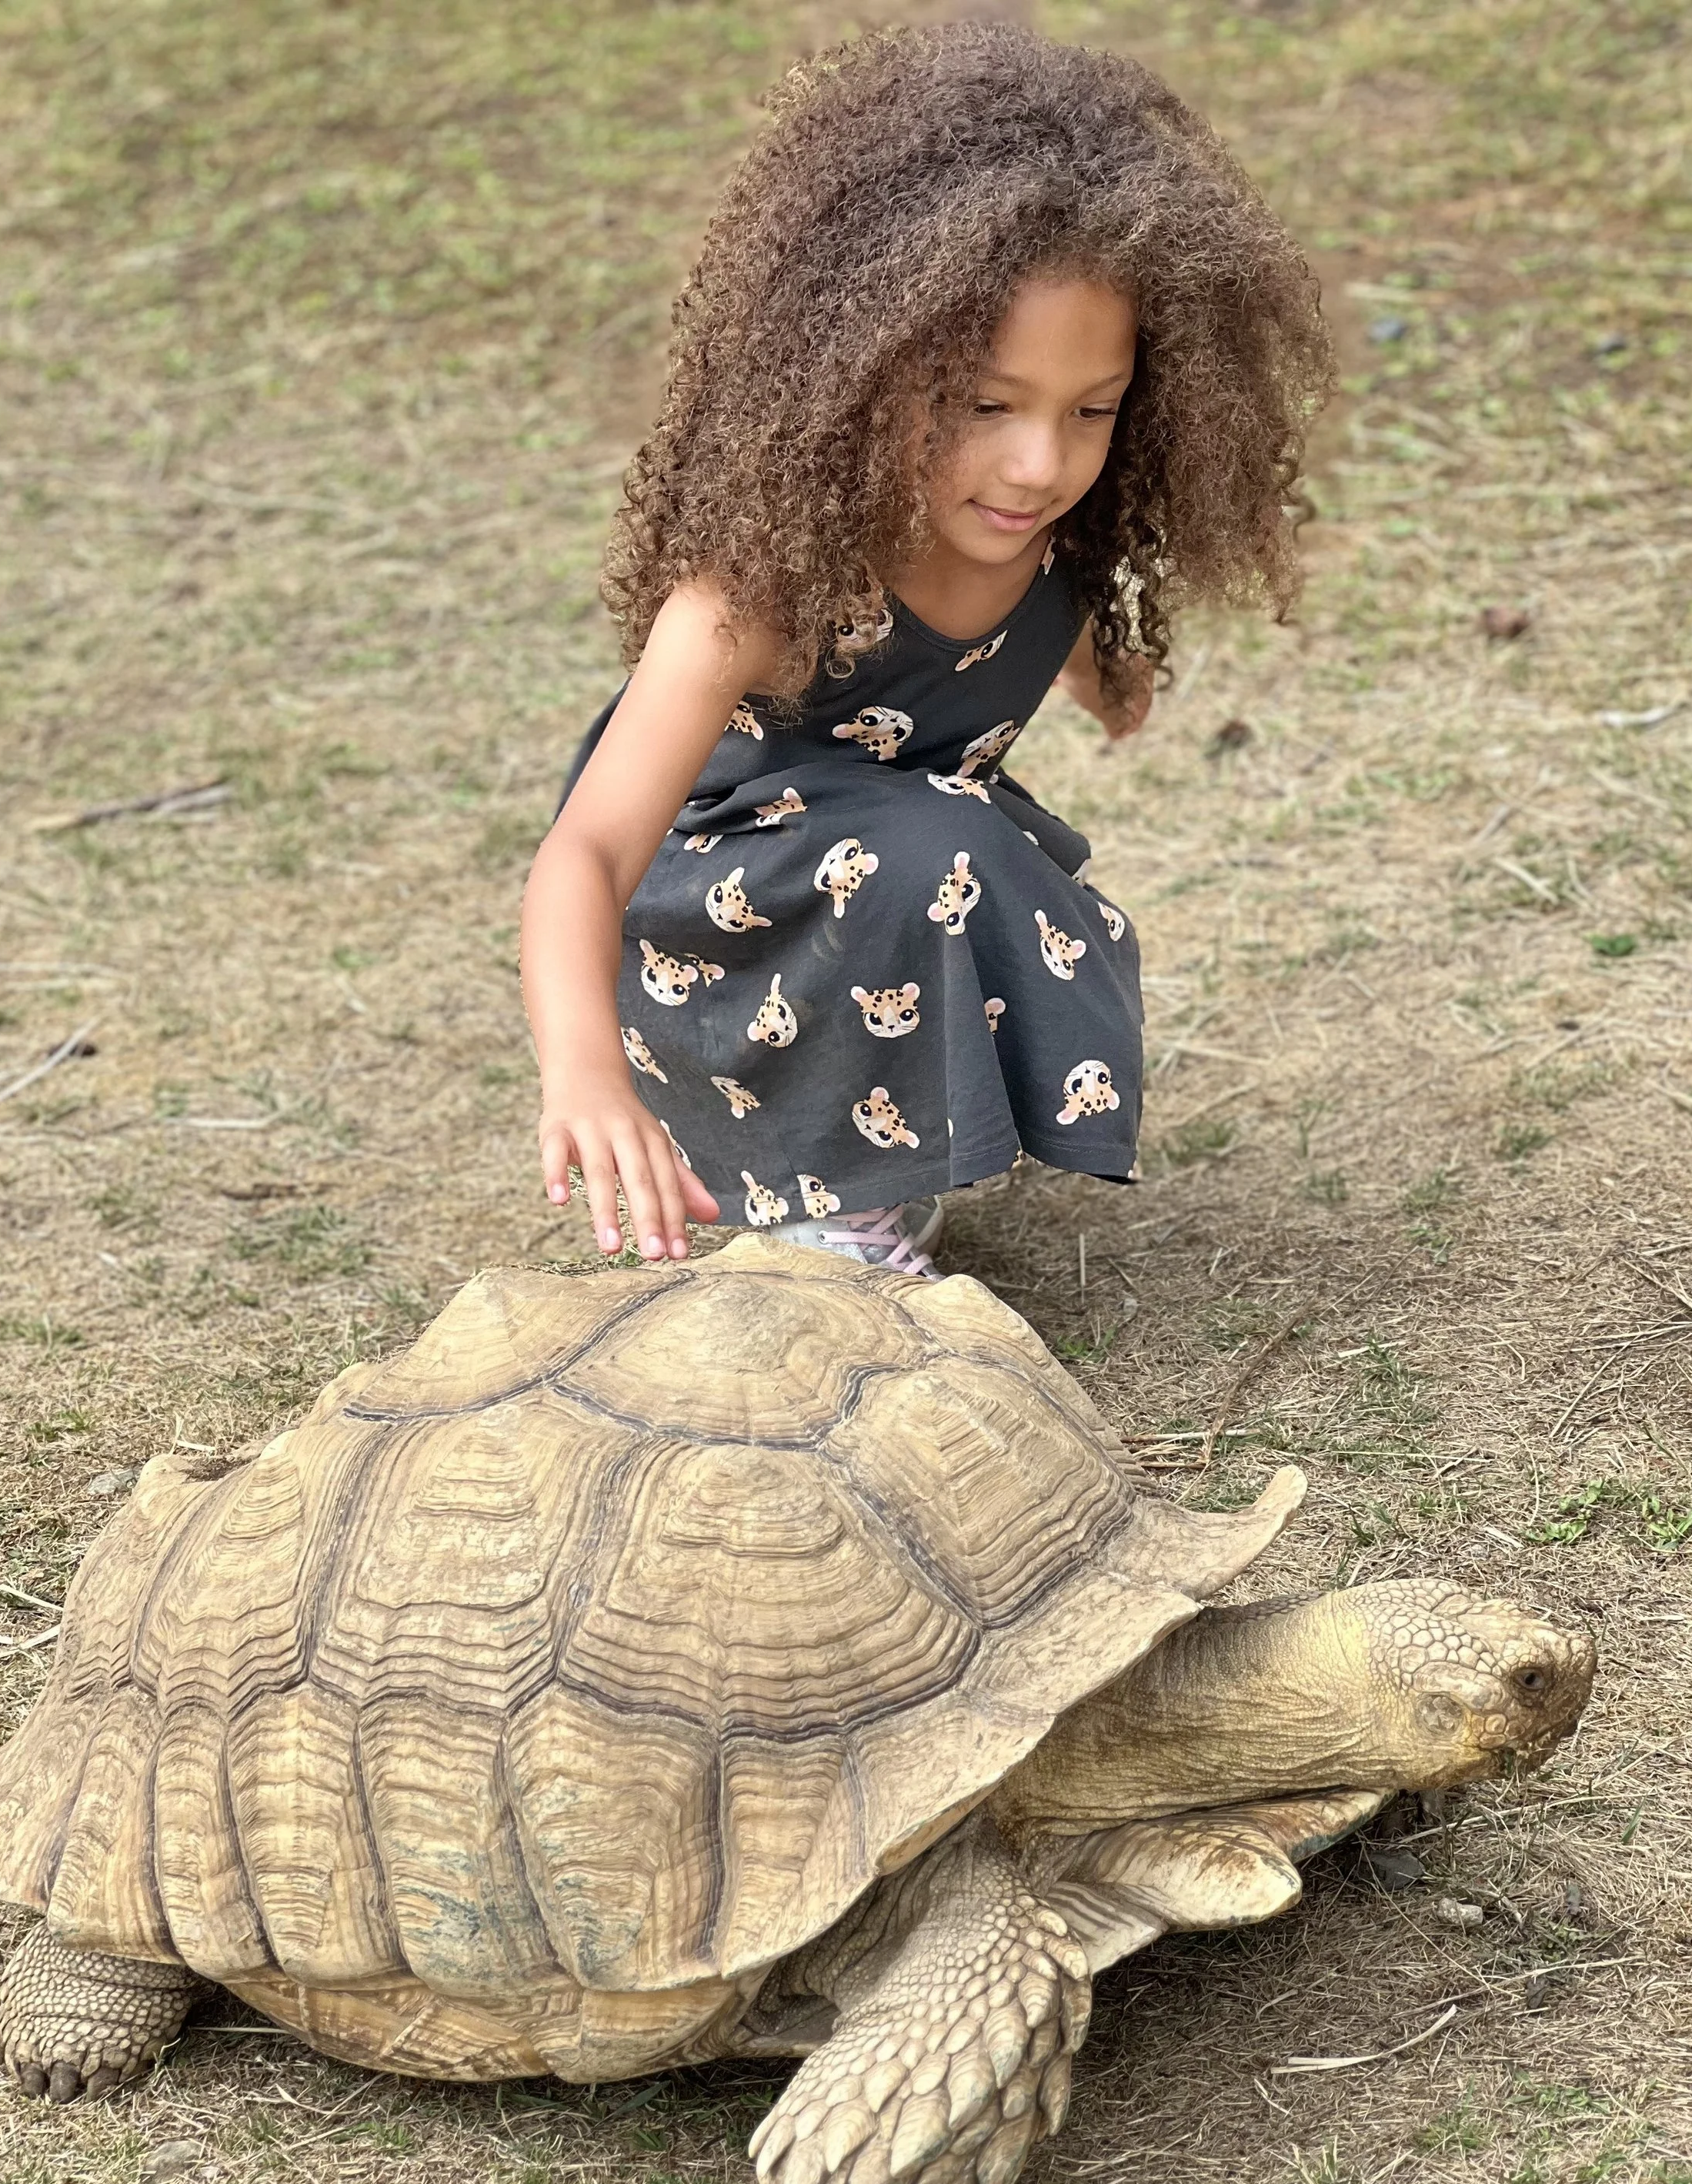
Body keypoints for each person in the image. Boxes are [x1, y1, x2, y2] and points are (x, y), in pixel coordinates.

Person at [520, 21, 1333, 1277]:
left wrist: (1110, 678)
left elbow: (1039, 644)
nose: (1038, 463)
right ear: (860, 374)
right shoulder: (764, 591)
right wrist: (581, 1075)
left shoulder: (1054, 552)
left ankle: (868, 1170)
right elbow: (585, 851)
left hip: (876, 894)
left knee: (960, 844)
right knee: (940, 841)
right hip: (711, 952)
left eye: (1093, 412)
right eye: (984, 405)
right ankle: (817, 1207)